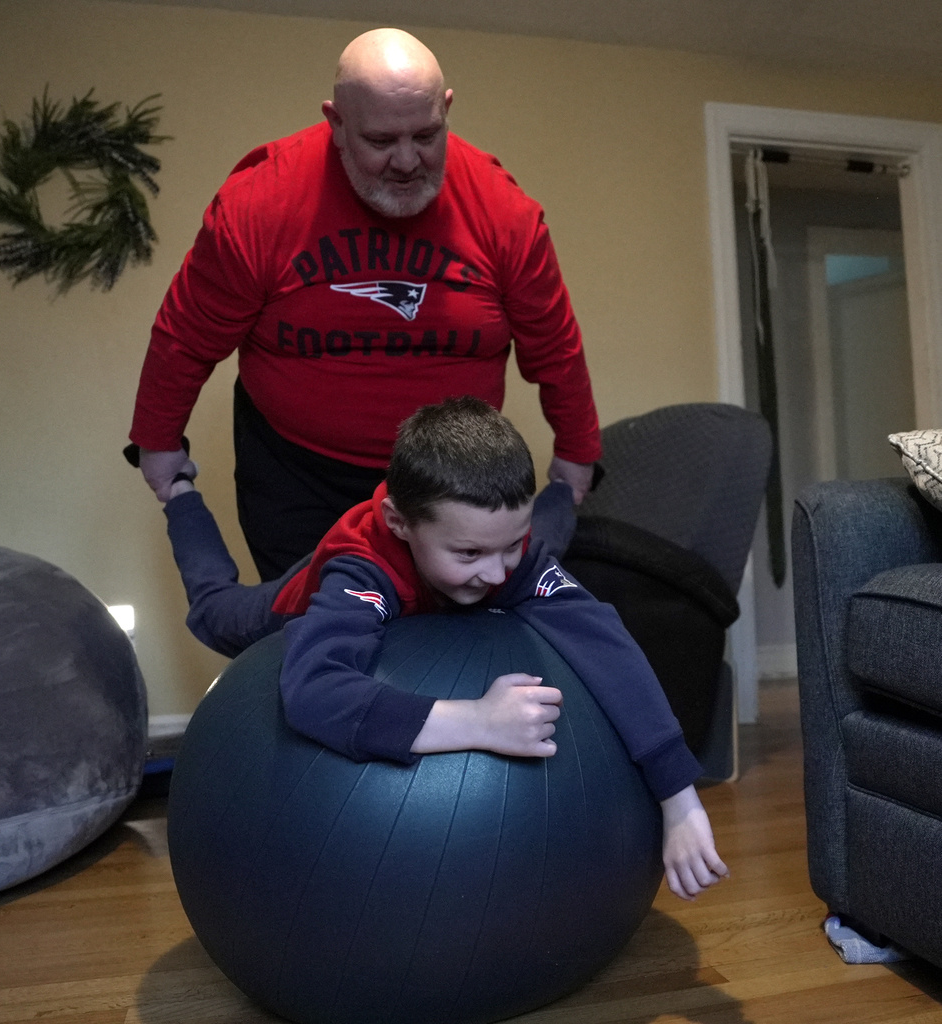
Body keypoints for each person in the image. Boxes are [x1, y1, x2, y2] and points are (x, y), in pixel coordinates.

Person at [158, 397, 728, 901]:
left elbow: (608, 646)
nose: (495, 572)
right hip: (295, 593)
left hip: (479, 537)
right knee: (214, 610)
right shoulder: (362, 572)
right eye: (469, 553)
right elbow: (312, 690)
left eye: (509, 546)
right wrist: (476, 720)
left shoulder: (509, 552)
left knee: (549, 546)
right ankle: (177, 491)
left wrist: (679, 800)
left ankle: (561, 492)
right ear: (400, 524)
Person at [129, 27, 602, 581]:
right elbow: (186, 337)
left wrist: (577, 451)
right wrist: (158, 445)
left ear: (446, 109)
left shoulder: (504, 212)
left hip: (451, 476)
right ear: (336, 123)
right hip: (295, 471)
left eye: (426, 134)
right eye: (381, 141)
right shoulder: (259, 204)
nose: (407, 160)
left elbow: (554, 344)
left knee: (447, 644)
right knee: (309, 638)